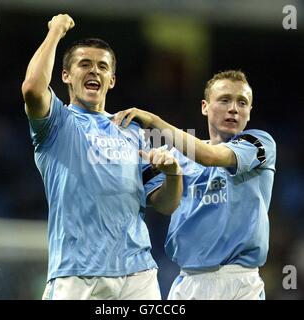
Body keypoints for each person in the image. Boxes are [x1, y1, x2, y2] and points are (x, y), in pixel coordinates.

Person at [21, 14, 183, 300]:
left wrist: (173, 173)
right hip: (76, 273)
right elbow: (33, 88)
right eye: (84, 64)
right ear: (66, 76)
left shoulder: (132, 130)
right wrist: (56, 32)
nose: (94, 71)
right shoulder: (57, 122)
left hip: (137, 274)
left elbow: (167, 205)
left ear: (112, 80)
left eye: (102, 67)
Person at [113, 70, 276, 300]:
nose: (233, 108)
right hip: (189, 282)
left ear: (249, 112)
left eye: (242, 102)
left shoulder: (260, 144)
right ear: (205, 107)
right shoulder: (175, 156)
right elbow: (165, 206)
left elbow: (209, 156)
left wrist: (153, 122)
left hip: (241, 283)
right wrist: (172, 174)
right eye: (224, 100)